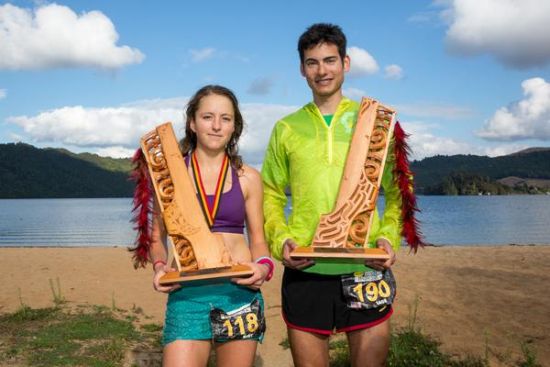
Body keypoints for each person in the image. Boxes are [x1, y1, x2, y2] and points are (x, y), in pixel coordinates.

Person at [261, 24, 421, 367]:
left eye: (330, 60)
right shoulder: (286, 128)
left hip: (364, 265)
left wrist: (387, 238)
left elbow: (398, 191)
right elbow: (270, 194)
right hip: (306, 266)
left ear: (346, 63)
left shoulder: (376, 123)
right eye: (312, 62)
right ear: (302, 69)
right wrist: (282, 241)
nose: (322, 70)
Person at [134, 85, 274, 367]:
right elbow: (156, 237)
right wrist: (161, 267)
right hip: (186, 293)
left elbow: (258, 239)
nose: (216, 125)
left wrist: (263, 266)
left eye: (226, 118)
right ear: (192, 123)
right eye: (208, 116)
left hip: (239, 291)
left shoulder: (248, 178)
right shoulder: (168, 177)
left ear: (235, 127)